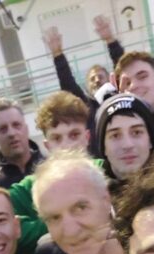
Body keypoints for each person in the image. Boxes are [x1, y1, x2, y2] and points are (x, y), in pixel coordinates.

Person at [43, 15, 124, 156]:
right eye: (92, 79)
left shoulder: (120, 98)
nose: (97, 80)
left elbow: (122, 69)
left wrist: (110, 40)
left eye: (101, 76)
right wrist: (57, 54)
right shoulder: (86, 108)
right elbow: (67, 82)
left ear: (110, 79)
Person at [95, 93, 154, 194]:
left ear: (150, 140)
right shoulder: (87, 192)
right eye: (115, 135)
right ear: (103, 147)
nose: (127, 145)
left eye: (136, 132)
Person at [0, 98, 44, 188]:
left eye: (16, 125)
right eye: (3, 129)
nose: (11, 133)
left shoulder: (53, 167)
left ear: (26, 129)